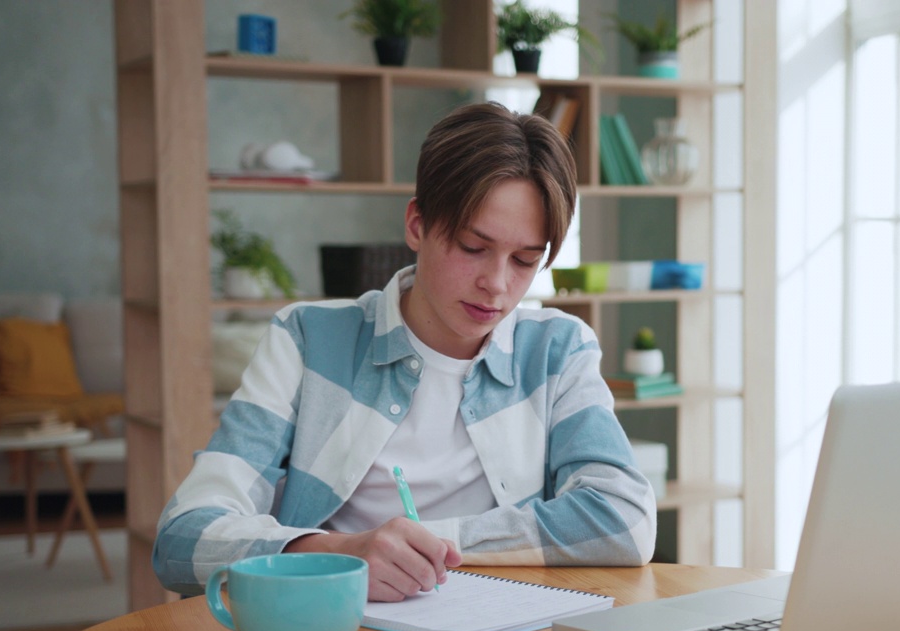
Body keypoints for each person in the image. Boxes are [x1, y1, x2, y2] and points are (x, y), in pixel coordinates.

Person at [153, 102, 657, 601]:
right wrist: (341, 552)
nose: (497, 285)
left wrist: (435, 545)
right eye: (472, 247)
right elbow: (183, 537)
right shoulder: (308, 339)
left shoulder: (555, 349)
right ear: (417, 225)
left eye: (525, 260)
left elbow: (624, 519)